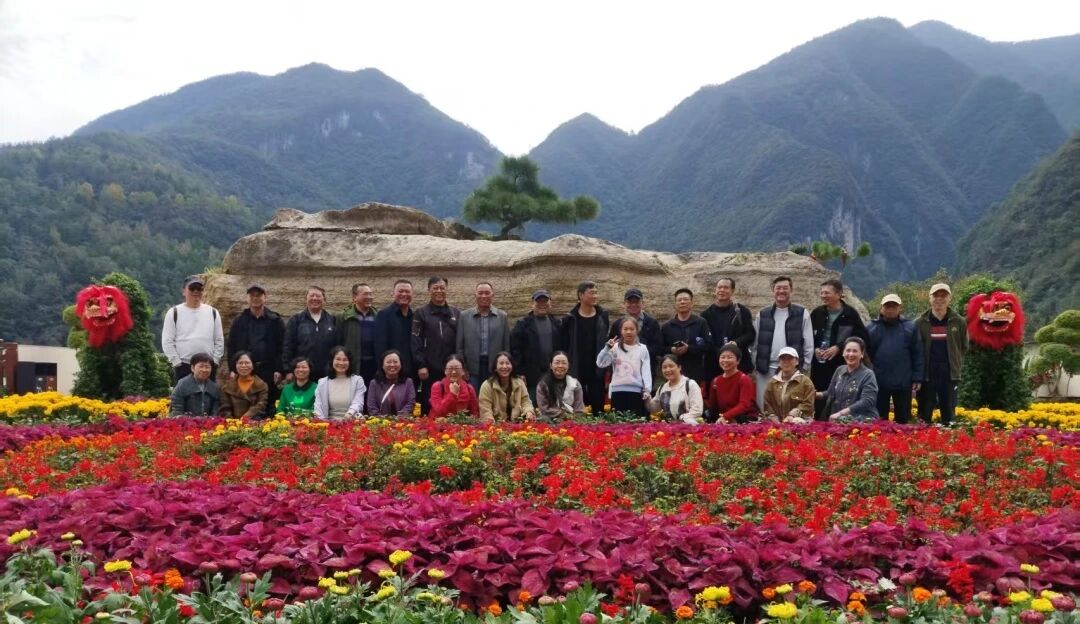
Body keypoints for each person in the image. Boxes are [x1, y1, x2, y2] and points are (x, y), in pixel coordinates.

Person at [809, 279, 869, 420]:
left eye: (827, 293)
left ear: (839, 294)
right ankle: (820, 424)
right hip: (820, 364)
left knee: (841, 395)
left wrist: (839, 347)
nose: (823, 296)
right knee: (819, 397)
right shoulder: (817, 313)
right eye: (822, 293)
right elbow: (807, 335)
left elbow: (861, 337)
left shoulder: (850, 314)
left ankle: (840, 424)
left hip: (842, 364)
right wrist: (815, 348)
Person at [753, 276, 814, 409]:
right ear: (773, 290)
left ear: (791, 290)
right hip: (766, 368)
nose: (781, 291)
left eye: (785, 288)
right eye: (778, 288)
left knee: (790, 406)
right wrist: (756, 365)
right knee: (765, 405)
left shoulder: (802, 313)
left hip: (791, 368)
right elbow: (755, 343)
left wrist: (804, 367)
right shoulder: (762, 314)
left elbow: (808, 343)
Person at [915, 283, 968, 427]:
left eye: (943, 296)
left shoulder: (959, 322)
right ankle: (922, 438)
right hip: (927, 373)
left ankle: (949, 438)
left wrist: (955, 362)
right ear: (930, 298)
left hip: (949, 373)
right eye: (936, 296)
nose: (939, 299)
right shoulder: (920, 322)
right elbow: (915, 349)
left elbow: (963, 346)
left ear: (949, 298)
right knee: (924, 412)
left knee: (949, 412)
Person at [867, 294, 924, 423]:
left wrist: (917, 377)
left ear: (900, 308)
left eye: (894, 306)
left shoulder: (910, 327)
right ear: (881, 308)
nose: (891, 309)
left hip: (903, 381)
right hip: (878, 381)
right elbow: (866, 355)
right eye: (887, 306)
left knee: (903, 419)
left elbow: (917, 353)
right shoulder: (871, 328)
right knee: (879, 419)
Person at [226, 283, 284, 408]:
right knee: (244, 404)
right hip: (244, 369)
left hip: (268, 370)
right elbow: (231, 346)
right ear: (247, 299)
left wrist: (280, 369)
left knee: (268, 404)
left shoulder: (275, 320)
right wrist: (232, 369)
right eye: (252, 295)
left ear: (265, 298)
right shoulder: (239, 321)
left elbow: (282, 346)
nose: (255, 298)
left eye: (259, 295)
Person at [559, 281, 610, 415]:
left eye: (596, 293)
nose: (595, 296)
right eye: (591, 293)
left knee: (598, 408)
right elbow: (564, 345)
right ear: (581, 295)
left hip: (597, 369)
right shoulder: (570, 318)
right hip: (576, 369)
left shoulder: (602, 315)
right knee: (576, 407)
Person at [411, 276, 460, 414]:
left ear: (447, 290)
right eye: (435, 288)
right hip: (429, 368)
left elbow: (460, 340)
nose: (439, 291)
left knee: (452, 401)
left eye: (442, 288)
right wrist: (421, 365)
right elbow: (416, 340)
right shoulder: (421, 313)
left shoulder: (456, 313)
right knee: (430, 402)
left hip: (451, 368)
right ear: (429, 290)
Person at [162, 275, 224, 382]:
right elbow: (167, 341)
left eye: (199, 289)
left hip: (207, 366)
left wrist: (215, 361)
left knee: (209, 393)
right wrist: (176, 363)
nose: (196, 291)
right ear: (183, 291)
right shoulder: (174, 313)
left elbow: (219, 340)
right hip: (184, 366)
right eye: (192, 288)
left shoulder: (213, 312)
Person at [456, 282, 510, 391]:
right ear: (475, 295)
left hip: (495, 368)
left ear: (492, 295)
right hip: (472, 369)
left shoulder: (502, 316)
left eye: (487, 293)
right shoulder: (464, 316)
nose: (484, 296)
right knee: (473, 397)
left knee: (493, 397)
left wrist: (504, 367)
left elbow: (506, 346)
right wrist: (462, 368)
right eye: (480, 293)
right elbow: (459, 346)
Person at [510, 289, 562, 402]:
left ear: (550, 303)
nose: (542, 304)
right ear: (532, 304)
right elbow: (515, 350)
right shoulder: (522, 325)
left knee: (553, 405)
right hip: (531, 376)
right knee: (532, 406)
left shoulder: (557, 324)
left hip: (553, 374)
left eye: (545, 301)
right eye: (539, 301)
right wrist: (519, 372)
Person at [701, 277, 756, 381]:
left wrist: (736, 343)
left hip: (739, 364)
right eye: (719, 287)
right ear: (715, 290)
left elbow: (750, 334)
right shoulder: (706, 315)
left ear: (732, 291)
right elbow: (705, 340)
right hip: (714, 365)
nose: (722, 290)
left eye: (726, 288)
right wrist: (721, 353)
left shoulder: (741, 311)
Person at [282, 285, 341, 382]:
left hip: (327, 373)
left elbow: (337, 346)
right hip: (302, 372)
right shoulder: (296, 320)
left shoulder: (332, 320)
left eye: (318, 296)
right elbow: (288, 346)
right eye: (311, 295)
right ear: (306, 299)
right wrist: (288, 370)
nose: (314, 298)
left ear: (324, 300)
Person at [596, 317, 653, 416]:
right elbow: (600, 363)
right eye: (625, 329)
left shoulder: (642, 349)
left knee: (636, 421)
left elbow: (646, 370)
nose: (628, 332)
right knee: (619, 422)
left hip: (636, 392)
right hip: (617, 391)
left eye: (632, 329)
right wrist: (607, 348)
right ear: (621, 331)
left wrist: (647, 390)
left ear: (637, 330)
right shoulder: (615, 347)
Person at [660, 288, 714, 387]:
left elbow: (708, 346)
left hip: (695, 373)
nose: (682, 302)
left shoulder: (701, 323)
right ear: (675, 304)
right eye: (679, 300)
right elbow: (660, 348)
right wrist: (672, 349)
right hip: (673, 374)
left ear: (692, 303)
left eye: (685, 299)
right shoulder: (667, 326)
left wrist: (688, 348)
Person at [818, 337, 878, 421]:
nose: (851, 354)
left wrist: (841, 413)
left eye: (855, 351)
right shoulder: (839, 370)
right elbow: (830, 393)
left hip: (861, 421)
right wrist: (815, 394)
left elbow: (867, 401)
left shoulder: (868, 374)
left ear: (862, 354)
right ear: (843, 353)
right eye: (848, 350)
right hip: (837, 420)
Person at [608, 288, 663, 375]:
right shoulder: (617, 324)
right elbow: (611, 346)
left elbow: (658, 347)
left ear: (642, 303)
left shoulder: (652, 323)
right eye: (630, 302)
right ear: (624, 304)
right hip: (622, 371)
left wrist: (639, 353)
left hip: (646, 370)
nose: (633, 305)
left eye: (636, 302)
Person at [373, 280, 416, 380]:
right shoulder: (384, 314)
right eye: (400, 291)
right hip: (392, 370)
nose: (404, 294)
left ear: (412, 294)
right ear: (393, 293)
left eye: (407, 291)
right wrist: (383, 369)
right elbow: (380, 345)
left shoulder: (414, 316)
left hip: (412, 370)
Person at [762, 347, 816, 423]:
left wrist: (793, 415)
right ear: (779, 362)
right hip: (775, 425)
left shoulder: (806, 382)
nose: (786, 361)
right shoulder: (772, 382)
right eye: (783, 359)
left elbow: (808, 404)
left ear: (797, 361)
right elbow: (767, 404)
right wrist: (773, 417)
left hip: (800, 424)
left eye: (790, 359)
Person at [478, 352, 536, 423]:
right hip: (495, 425)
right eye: (501, 363)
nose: (505, 366)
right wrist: (493, 426)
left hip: (517, 424)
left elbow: (526, 401)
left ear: (512, 366)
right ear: (495, 368)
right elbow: (485, 411)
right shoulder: (487, 385)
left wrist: (528, 412)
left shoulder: (519, 383)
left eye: (507, 363)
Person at [707, 345, 758, 423]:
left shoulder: (744, 379)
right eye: (722, 357)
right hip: (723, 420)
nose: (725, 360)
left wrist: (726, 416)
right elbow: (713, 406)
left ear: (738, 361)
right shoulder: (716, 381)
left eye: (729, 357)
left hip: (743, 420)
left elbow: (744, 404)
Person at [647, 354, 704, 424]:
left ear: (679, 367)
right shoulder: (662, 388)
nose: (668, 369)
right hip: (669, 428)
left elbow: (697, 410)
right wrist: (647, 398)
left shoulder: (690, 384)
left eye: (671, 366)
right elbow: (654, 409)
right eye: (664, 367)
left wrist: (681, 420)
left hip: (689, 427)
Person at [340, 283, 378, 384]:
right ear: (354, 297)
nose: (369, 297)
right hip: (353, 365)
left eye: (370, 294)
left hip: (374, 365)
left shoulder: (378, 316)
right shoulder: (344, 317)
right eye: (365, 294)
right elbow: (338, 343)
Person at [313, 346, 366, 420]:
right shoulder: (322, 382)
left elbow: (358, 403)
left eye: (345, 360)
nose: (341, 363)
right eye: (338, 359)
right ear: (332, 361)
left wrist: (349, 414)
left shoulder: (358, 381)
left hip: (351, 422)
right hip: (328, 423)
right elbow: (318, 407)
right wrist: (322, 423)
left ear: (349, 362)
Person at [535, 351, 586, 422]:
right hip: (550, 419)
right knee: (543, 419)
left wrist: (574, 419)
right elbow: (544, 408)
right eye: (557, 363)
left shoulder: (575, 384)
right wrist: (563, 415)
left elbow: (579, 408)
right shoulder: (543, 385)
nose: (560, 366)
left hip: (572, 420)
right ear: (550, 365)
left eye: (564, 363)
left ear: (568, 365)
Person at [366, 350, 417, 418]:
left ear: (401, 364)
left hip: (404, 420)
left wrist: (400, 418)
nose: (392, 365)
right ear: (382, 365)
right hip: (380, 421)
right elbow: (372, 406)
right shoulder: (374, 383)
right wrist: (381, 420)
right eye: (388, 362)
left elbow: (411, 403)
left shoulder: (408, 382)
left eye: (395, 362)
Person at [218, 351, 269, 419]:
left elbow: (261, 405)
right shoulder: (226, 387)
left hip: (255, 422)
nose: (243, 366)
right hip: (232, 423)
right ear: (235, 365)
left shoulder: (262, 386)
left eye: (247, 363)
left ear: (253, 365)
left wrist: (245, 418)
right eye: (240, 363)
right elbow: (225, 408)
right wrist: (232, 422)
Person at [428, 354, 479, 418]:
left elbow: (474, 413)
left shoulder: (469, 388)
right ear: (445, 371)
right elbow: (439, 412)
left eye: (457, 368)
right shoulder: (437, 386)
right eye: (450, 368)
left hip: (461, 423)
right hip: (438, 423)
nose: (454, 372)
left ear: (463, 371)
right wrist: (452, 394)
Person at [169, 352, 219, 416]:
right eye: (201, 366)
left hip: (208, 421)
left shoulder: (214, 387)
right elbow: (177, 410)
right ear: (192, 368)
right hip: (185, 420)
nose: (204, 370)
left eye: (207, 367)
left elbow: (215, 411)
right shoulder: (182, 385)